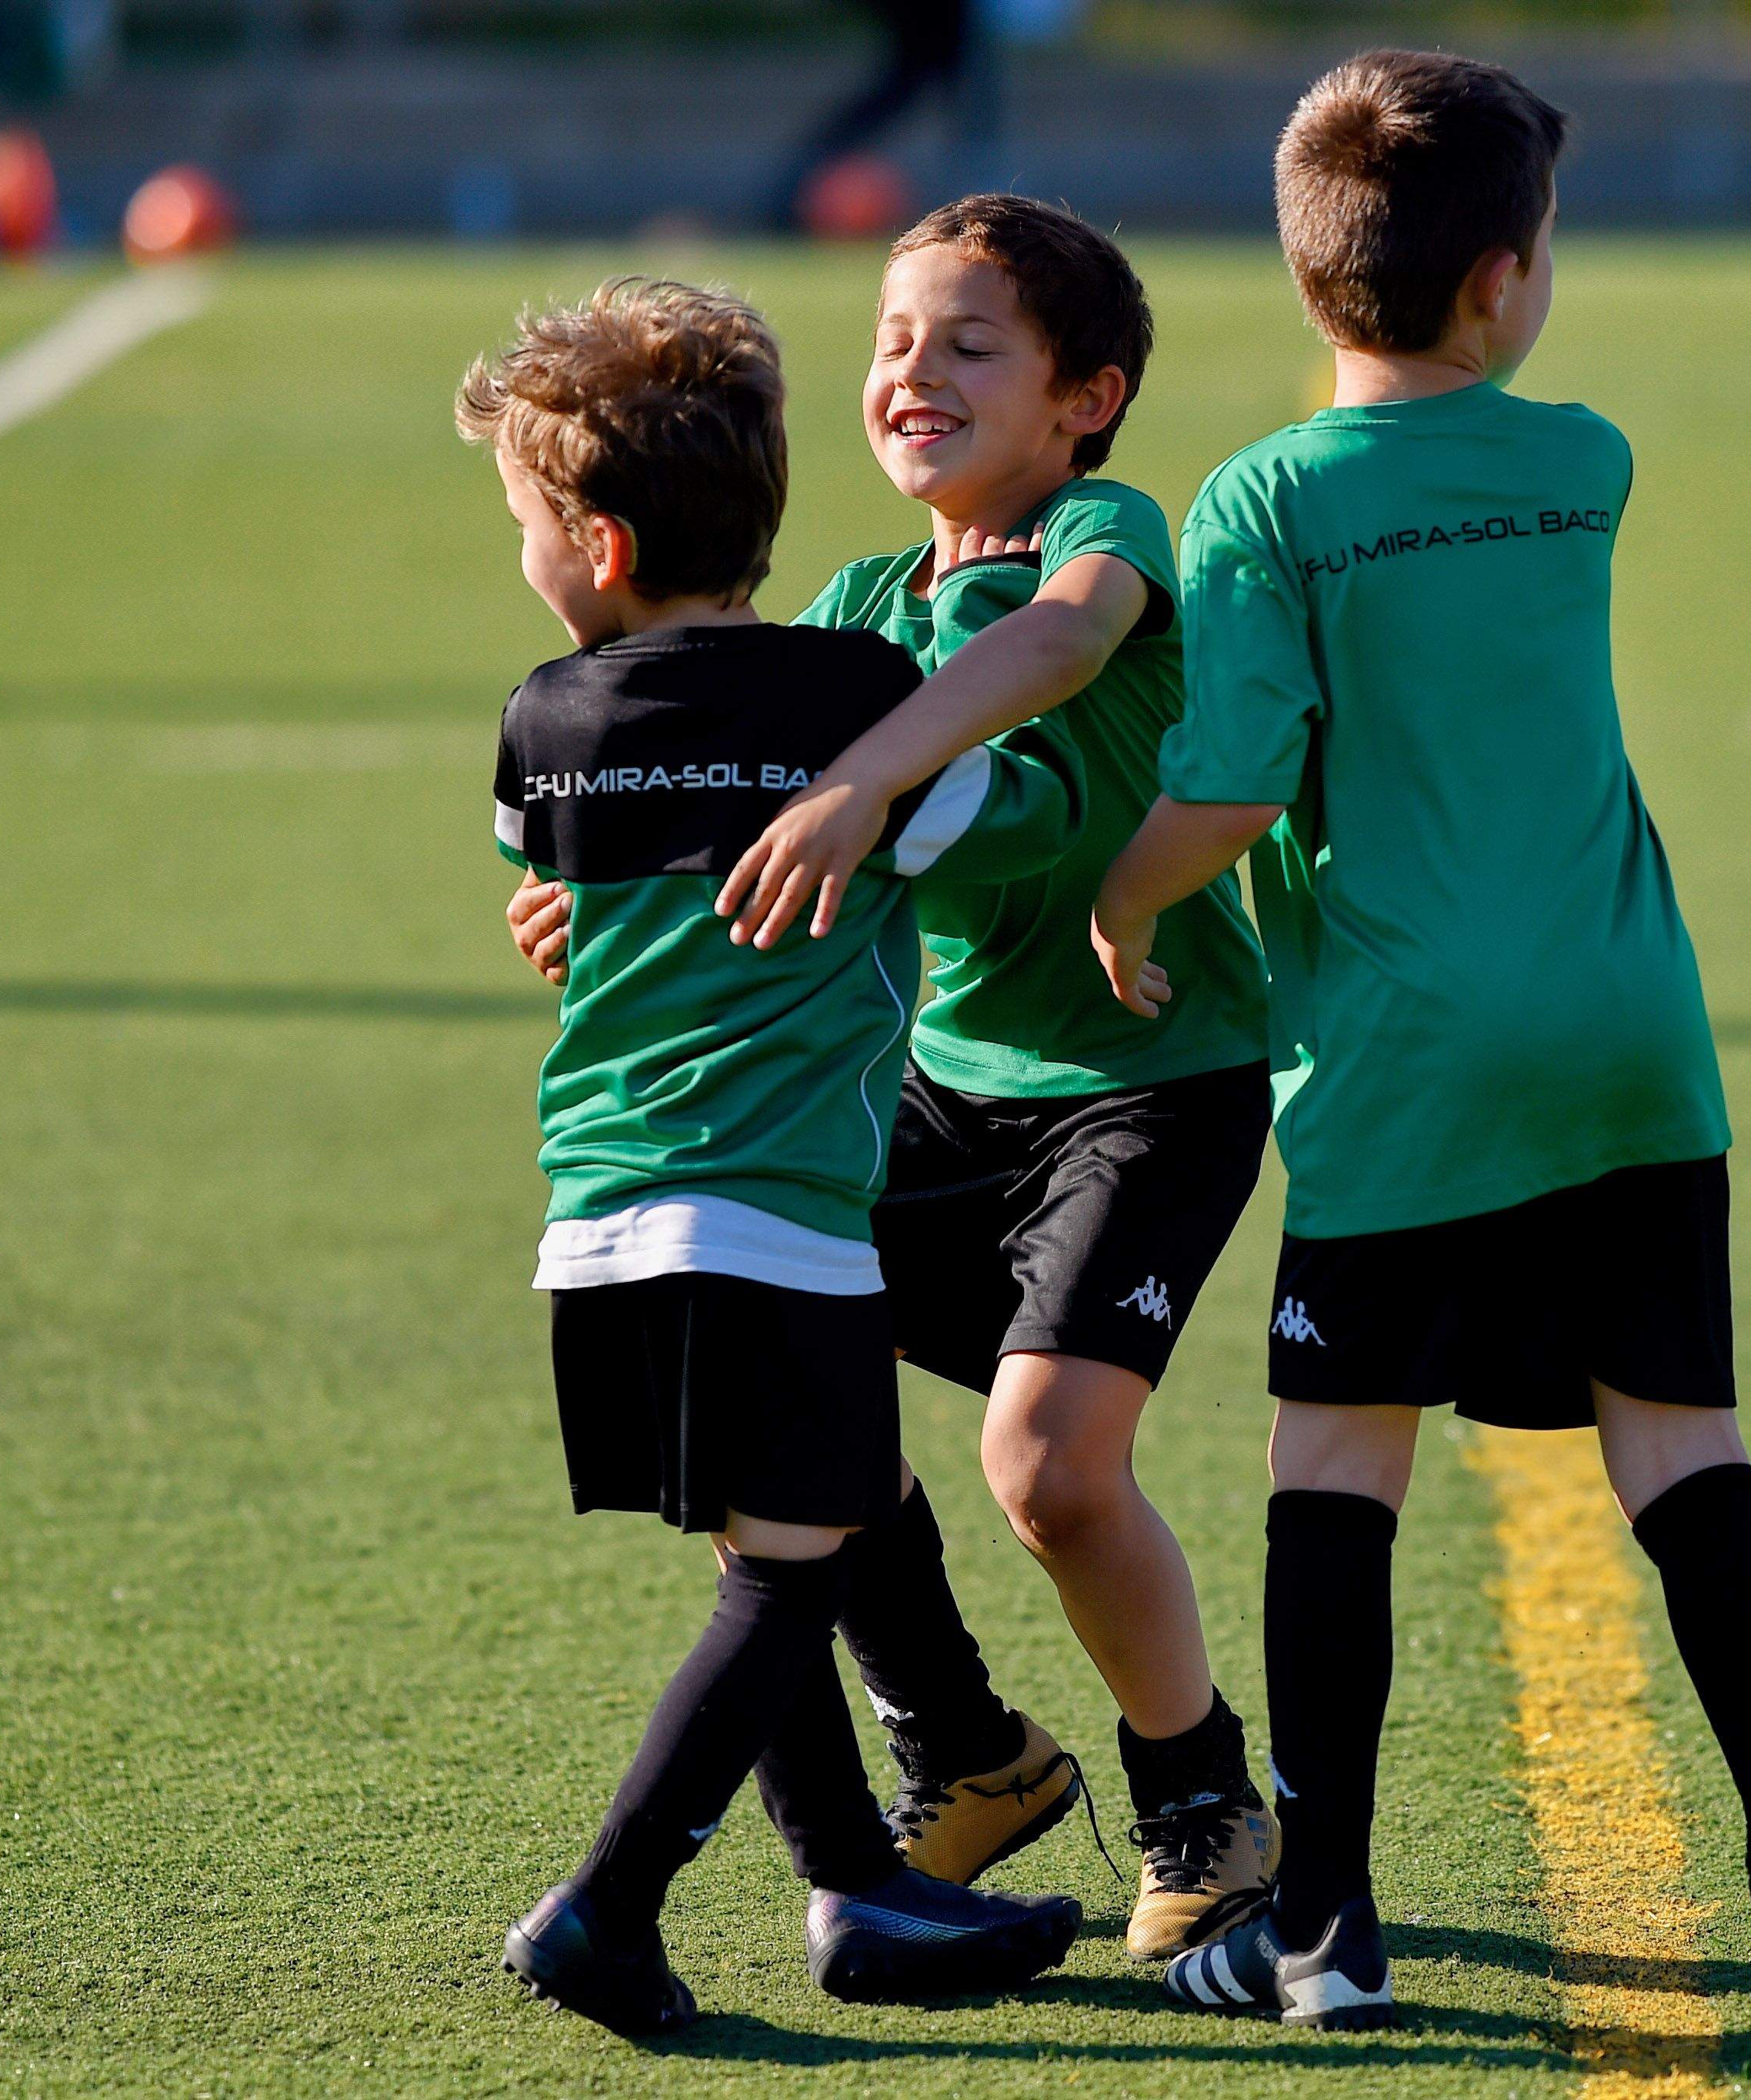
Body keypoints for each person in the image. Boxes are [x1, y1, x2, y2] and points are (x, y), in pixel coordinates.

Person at [1087, 52, 1751, 2028]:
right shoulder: (1583, 465)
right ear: (1501, 280)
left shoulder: (1263, 499)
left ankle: (1324, 1930)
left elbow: (1234, 785)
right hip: (1629, 1034)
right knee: (1681, 1440)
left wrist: (1118, 907)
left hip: (1405, 1062)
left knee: (1333, 1462)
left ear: (1308, 272)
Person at [513, 195, 1282, 1964]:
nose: (912, 370)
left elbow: (1052, 652)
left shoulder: (1098, 536)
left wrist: (862, 780)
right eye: (889, 342)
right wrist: (610, 893)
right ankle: (964, 1747)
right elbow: (725, 777)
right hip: (935, 1088)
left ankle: (1202, 1799)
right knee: (784, 1380)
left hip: (1148, 1075)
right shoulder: (861, 609)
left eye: (969, 344)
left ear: (1086, 399)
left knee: (1048, 1470)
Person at [465, 275, 1090, 2038]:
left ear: (598, 547)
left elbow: (563, 885)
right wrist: (990, 666)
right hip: (779, 1219)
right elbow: (1024, 829)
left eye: (521, 526)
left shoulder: (542, 717)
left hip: (599, 1223)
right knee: (789, 1575)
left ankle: (855, 1888)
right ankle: (609, 1905)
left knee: (778, 1544)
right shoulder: (853, 696)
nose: (526, 557)